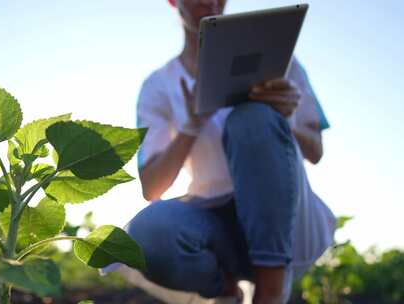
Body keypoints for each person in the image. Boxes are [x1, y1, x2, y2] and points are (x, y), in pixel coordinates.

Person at [126, 0, 337, 303]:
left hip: (285, 221)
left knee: (253, 118)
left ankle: (270, 292)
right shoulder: (158, 85)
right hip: (214, 227)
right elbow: (152, 186)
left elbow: (315, 150)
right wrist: (192, 123)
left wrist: (284, 117)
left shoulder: (282, 60)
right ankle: (225, 290)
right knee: (149, 233)